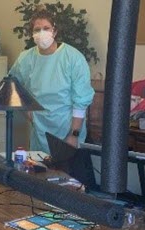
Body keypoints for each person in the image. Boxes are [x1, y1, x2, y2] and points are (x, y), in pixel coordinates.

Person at [9, 9, 95, 152]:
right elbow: (11, 84)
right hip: (40, 130)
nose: (41, 33)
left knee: (67, 172)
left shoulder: (73, 58)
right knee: (39, 171)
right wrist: (27, 110)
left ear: (54, 32)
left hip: (68, 128)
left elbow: (81, 100)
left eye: (46, 28)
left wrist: (74, 134)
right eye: (37, 29)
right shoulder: (26, 59)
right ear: (32, 34)